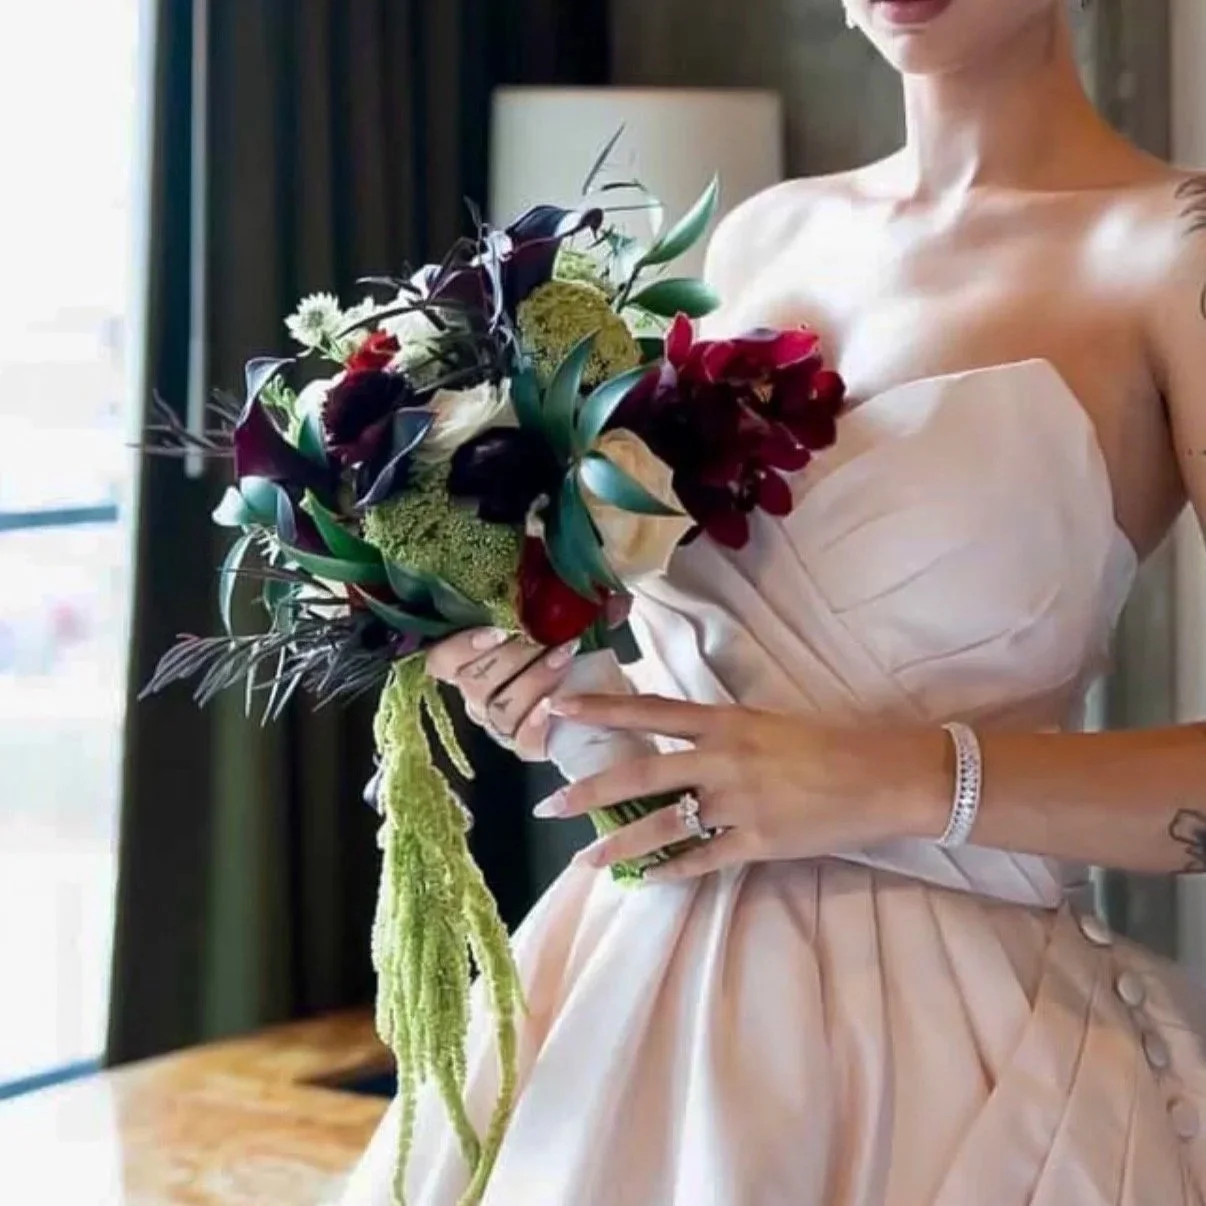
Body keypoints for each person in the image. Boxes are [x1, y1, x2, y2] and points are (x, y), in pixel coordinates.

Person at [340, 1, 1206, 1201]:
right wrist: (568, 693)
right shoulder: (760, 236)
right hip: (623, 996)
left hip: (947, 1053)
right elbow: (708, 669)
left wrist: (891, 779)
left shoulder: (1173, 251)